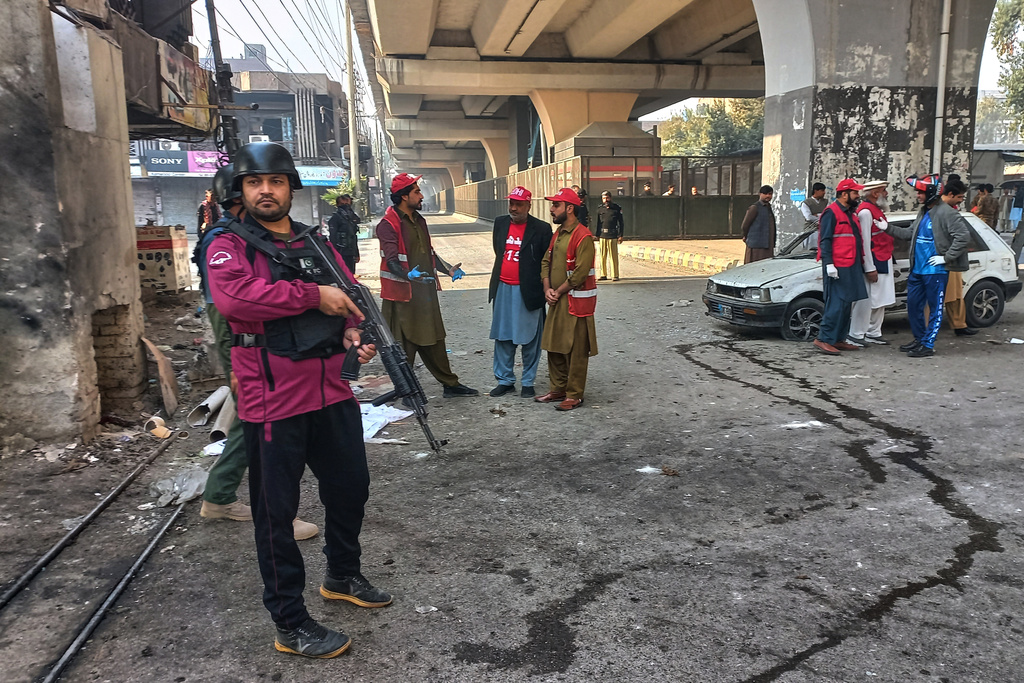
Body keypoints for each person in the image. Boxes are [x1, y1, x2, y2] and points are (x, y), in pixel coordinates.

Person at [207, 143, 390, 659]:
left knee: (350, 487)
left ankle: (342, 574)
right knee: (276, 515)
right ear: (241, 191)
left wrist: (356, 332)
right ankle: (290, 621)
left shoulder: (316, 242)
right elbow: (234, 298)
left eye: (277, 182)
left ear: (292, 187)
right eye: (255, 183)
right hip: (272, 400)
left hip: (331, 391)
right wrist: (312, 297)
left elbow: (349, 294)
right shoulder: (227, 243)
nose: (266, 190)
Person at [197, 166, 319, 541]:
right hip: (239, 330)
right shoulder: (225, 240)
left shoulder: (242, 237)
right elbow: (238, 300)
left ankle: (225, 495)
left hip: (247, 329)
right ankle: (234, 500)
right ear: (239, 202)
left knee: (258, 417)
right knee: (258, 416)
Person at [376, 173, 478, 397]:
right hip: (402, 296)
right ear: (404, 196)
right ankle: (406, 390)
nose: (421, 196)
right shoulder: (388, 224)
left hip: (424, 294)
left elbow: (428, 253)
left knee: (434, 339)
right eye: (416, 192)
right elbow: (391, 261)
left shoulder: (418, 220)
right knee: (404, 345)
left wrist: (448, 269)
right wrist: (408, 275)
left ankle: (450, 384)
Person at [884, 175, 971, 357]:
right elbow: (909, 233)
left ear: (931, 193)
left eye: (920, 192)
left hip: (936, 271)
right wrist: (887, 227)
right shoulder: (924, 212)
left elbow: (963, 237)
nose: (917, 195)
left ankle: (928, 344)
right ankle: (920, 339)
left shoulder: (948, 213)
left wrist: (946, 258)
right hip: (918, 270)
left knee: (935, 308)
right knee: (914, 306)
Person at [487, 186, 553, 399]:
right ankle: (505, 381)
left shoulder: (541, 229)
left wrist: (546, 288)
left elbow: (546, 262)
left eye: (518, 204)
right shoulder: (500, 223)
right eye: (511, 203)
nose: (513, 208)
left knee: (531, 338)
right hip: (503, 288)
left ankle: (528, 382)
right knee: (503, 336)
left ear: (528, 205)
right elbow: (499, 252)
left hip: (529, 291)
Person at [537, 187, 598, 411]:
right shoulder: (559, 233)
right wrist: (547, 289)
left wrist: (557, 291)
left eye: (556, 205)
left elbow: (581, 273)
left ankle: (574, 394)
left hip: (576, 303)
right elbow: (546, 262)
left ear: (569, 208)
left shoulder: (583, 237)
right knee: (554, 346)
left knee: (576, 351)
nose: (551, 210)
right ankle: (558, 389)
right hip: (558, 299)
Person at [814, 179, 868, 355]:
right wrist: (829, 263)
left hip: (851, 263)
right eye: (855, 193)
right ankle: (824, 338)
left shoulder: (850, 213)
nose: (858, 196)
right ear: (844, 194)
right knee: (836, 304)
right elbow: (825, 240)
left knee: (846, 304)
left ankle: (838, 338)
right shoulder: (832, 212)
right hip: (838, 265)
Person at [847, 180, 896, 346]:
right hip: (875, 259)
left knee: (881, 299)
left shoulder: (876, 210)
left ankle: (874, 331)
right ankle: (858, 333)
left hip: (883, 257)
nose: (887, 194)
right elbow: (865, 242)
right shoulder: (866, 212)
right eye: (884, 191)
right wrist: (869, 267)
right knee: (869, 300)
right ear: (875, 193)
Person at [939, 177, 978, 337]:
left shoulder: (950, 209)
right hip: (940, 257)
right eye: (960, 197)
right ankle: (926, 330)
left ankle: (959, 325)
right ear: (950, 194)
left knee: (955, 294)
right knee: (933, 296)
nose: (961, 201)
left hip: (950, 258)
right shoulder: (939, 210)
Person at [740, 185, 776, 263]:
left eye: (770, 194)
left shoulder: (768, 207)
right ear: (760, 194)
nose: (768, 196)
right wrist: (745, 236)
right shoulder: (754, 208)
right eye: (765, 194)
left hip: (767, 245)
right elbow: (745, 225)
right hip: (756, 245)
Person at [327, 194, 361, 273]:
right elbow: (333, 237)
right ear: (338, 205)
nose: (346, 207)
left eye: (348, 204)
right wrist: (334, 254)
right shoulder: (335, 218)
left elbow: (353, 237)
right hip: (341, 252)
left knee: (351, 274)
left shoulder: (350, 218)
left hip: (350, 252)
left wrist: (356, 253)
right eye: (343, 204)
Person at [595, 190, 624, 281]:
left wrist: (620, 235)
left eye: (607, 197)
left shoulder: (616, 208)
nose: (606, 199)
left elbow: (621, 223)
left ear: (610, 198)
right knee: (602, 256)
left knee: (613, 256)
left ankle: (615, 275)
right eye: (604, 198)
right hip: (603, 235)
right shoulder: (600, 209)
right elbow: (598, 223)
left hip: (613, 235)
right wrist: (597, 235)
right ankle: (603, 274)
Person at [799, 183, 829, 251]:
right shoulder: (806, 203)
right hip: (810, 231)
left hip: (822, 230)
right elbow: (808, 217)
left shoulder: (826, 202)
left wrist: (818, 215)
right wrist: (821, 217)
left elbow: (828, 214)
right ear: (816, 191)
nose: (824, 193)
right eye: (822, 190)